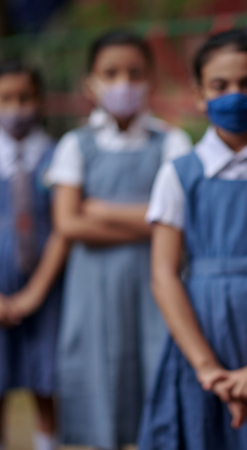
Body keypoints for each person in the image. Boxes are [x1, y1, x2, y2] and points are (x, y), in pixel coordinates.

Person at [138, 29, 247, 450]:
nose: (234, 95)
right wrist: (206, 368)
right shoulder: (178, 173)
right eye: (220, 85)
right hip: (199, 335)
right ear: (199, 93)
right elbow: (163, 275)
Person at [46, 30, 192, 449]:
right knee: (99, 377)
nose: (123, 82)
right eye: (110, 73)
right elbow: (68, 224)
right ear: (89, 82)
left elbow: (179, 219)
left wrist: (101, 209)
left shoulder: (171, 140)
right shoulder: (75, 144)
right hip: (90, 288)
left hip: (155, 283)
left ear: (151, 79)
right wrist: (150, 216)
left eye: (134, 72)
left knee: (154, 368)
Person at [0, 61, 67, 450]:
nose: (16, 107)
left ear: (40, 101)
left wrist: (35, 293)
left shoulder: (58, 155)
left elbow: (62, 226)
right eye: (6, 99)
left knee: (47, 379)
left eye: (24, 98)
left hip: (47, 286)